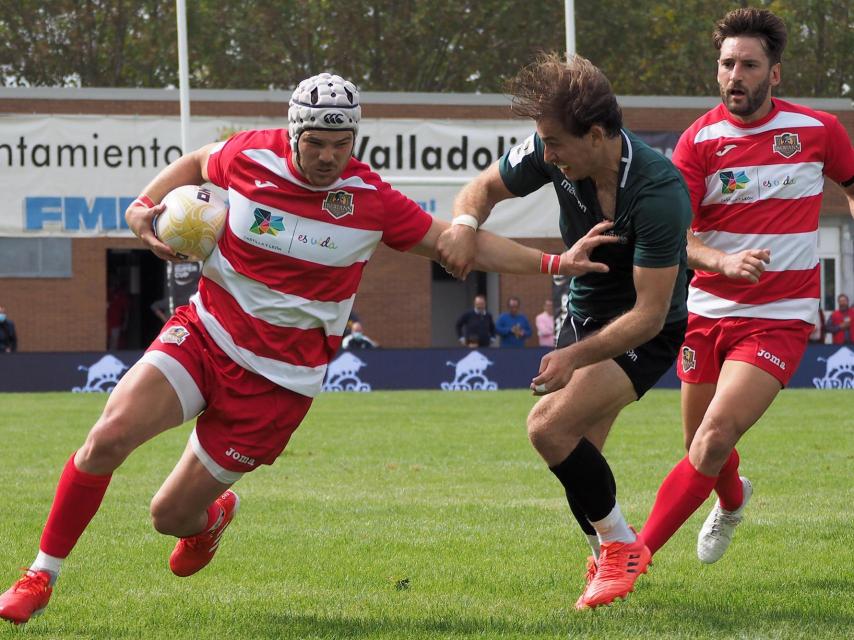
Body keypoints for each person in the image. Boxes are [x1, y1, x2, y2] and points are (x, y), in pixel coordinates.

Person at [0, 72, 614, 625]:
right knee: (107, 438)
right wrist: (141, 206)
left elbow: (460, 246)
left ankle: (211, 519)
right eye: (315, 142)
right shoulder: (250, 154)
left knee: (169, 517)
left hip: (278, 384)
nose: (327, 156)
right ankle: (39, 576)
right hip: (205, 333)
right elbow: (197, 161)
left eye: (340, 144)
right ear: (293, 133)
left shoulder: (371, 200)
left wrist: (556, 262)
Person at [437, 53, 692, 609]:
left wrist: (574, 357)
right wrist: (464, 225)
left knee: (548, 428)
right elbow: (482, 188)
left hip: (646, 329)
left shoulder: (659, 191)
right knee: (577, 459)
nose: (546, 154)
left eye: (555, 143)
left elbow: (649, 314)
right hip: (584, 314)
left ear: (596, 135)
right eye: (543, 143)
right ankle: (609, 554)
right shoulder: (550, 150)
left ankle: (622, 547)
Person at [638, 7, 854, 584]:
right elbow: (676, 238)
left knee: (712, 439)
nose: (735, 75)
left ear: (774, 74)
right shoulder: (697, 142)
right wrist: (722, 262)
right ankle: (733, 502)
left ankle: (631, 559)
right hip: (707, 312)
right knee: (699, 445)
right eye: (727, 64)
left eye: (749, 65)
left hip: (780, 316)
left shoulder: (818, 131)